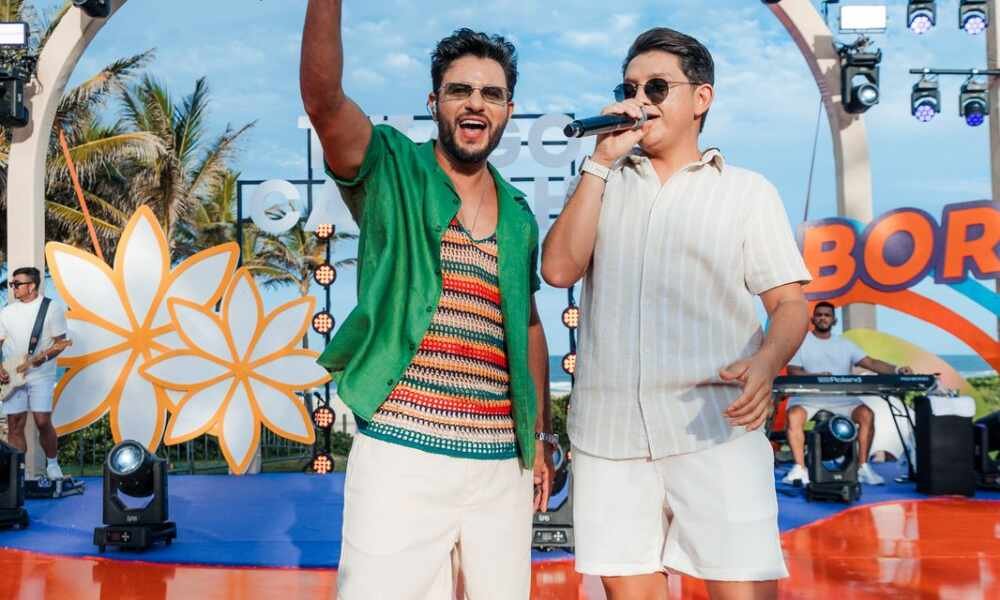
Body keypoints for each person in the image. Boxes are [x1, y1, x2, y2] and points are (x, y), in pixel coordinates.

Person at [541, 27, 811, 600]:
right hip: (609, 433)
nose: (640, 100)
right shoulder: (601, 183)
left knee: (742, 591)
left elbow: (790, 303)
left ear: (701, 99)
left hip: (716, 427)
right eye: (629, 88)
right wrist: (600, 161)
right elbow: (559, 270)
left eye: (657, 88)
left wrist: (767, 363)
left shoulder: (747, 191)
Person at [300, 2, 553, 598]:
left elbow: (530, 327)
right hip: (401, 454)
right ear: (435, 101)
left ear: (508, 110)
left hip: (501, 465)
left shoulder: (519, 214)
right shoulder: (390, 167)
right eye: (459, 90)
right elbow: (324, 100)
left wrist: (540, 439)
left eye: (491, 94)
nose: (475, 103)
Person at [782, 301, 913, 487]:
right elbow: (793, 371)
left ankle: (862, 467)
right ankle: (799, 469)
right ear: (813, 319)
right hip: (808, 398)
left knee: (866, 414)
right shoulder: (802, 342)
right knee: (793, 415)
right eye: (819, 315)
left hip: (842, 399)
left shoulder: (845, 344)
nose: (823, 318)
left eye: (827, 315)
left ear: (834, 320)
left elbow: (871, 363)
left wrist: (898, 370)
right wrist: (815, 376)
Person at [0, 267, 69, 481]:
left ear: (31, 286)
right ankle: (19, 472)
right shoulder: (6, 312)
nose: (13, 287)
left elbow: (60, 343)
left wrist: (44, 358)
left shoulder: (51, 308)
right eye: (11, 284)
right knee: (14, 424)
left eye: (17, 284)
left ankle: (53, 465)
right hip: (12, 375)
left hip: (41, 374)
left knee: (42, 421)